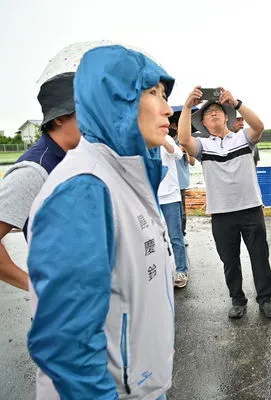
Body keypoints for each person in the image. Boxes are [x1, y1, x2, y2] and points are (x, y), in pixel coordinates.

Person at [27, 45, 175, 399]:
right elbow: (66, 343)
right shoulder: (84, 189)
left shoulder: (130, 173)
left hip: (143, 385)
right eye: (152, 93)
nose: (168, 107)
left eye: (165, 94)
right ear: (116, 99)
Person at [178, 87, 271, 319]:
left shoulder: (243, 138)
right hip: (221, 213)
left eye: (217, 110)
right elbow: (184, 139)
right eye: (208, 112)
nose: (213, 113)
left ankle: (266, 299)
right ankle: (237, 299)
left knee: (259, 257)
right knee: (230, 260)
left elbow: (259, 126)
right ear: (203, 122)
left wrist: (236, 103)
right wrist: (186, 106)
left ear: (226, 116)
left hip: (251, 208)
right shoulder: (204, 146)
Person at [0, 72, 80, 291]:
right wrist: (37, 289)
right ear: (60, 117)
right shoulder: (34, 170)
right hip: (62, 308)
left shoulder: (77, 159)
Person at [159, 126, 188, 288]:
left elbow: (177, 154)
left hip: (170, 196)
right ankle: (160, 272)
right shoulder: (141, 141)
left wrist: (162, 139)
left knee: (175, 236)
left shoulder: (167, 138)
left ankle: (181, 270)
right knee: (154, 239)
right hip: (150, 198)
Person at [169, 112, 196, 244]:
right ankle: (171, 235)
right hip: (168, 181)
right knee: (170, 211)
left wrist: (184, 150)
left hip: (180, 181)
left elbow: (192, 162)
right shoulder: (165, 140)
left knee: (182, 212)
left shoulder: (185, 142)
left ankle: (181, 234)